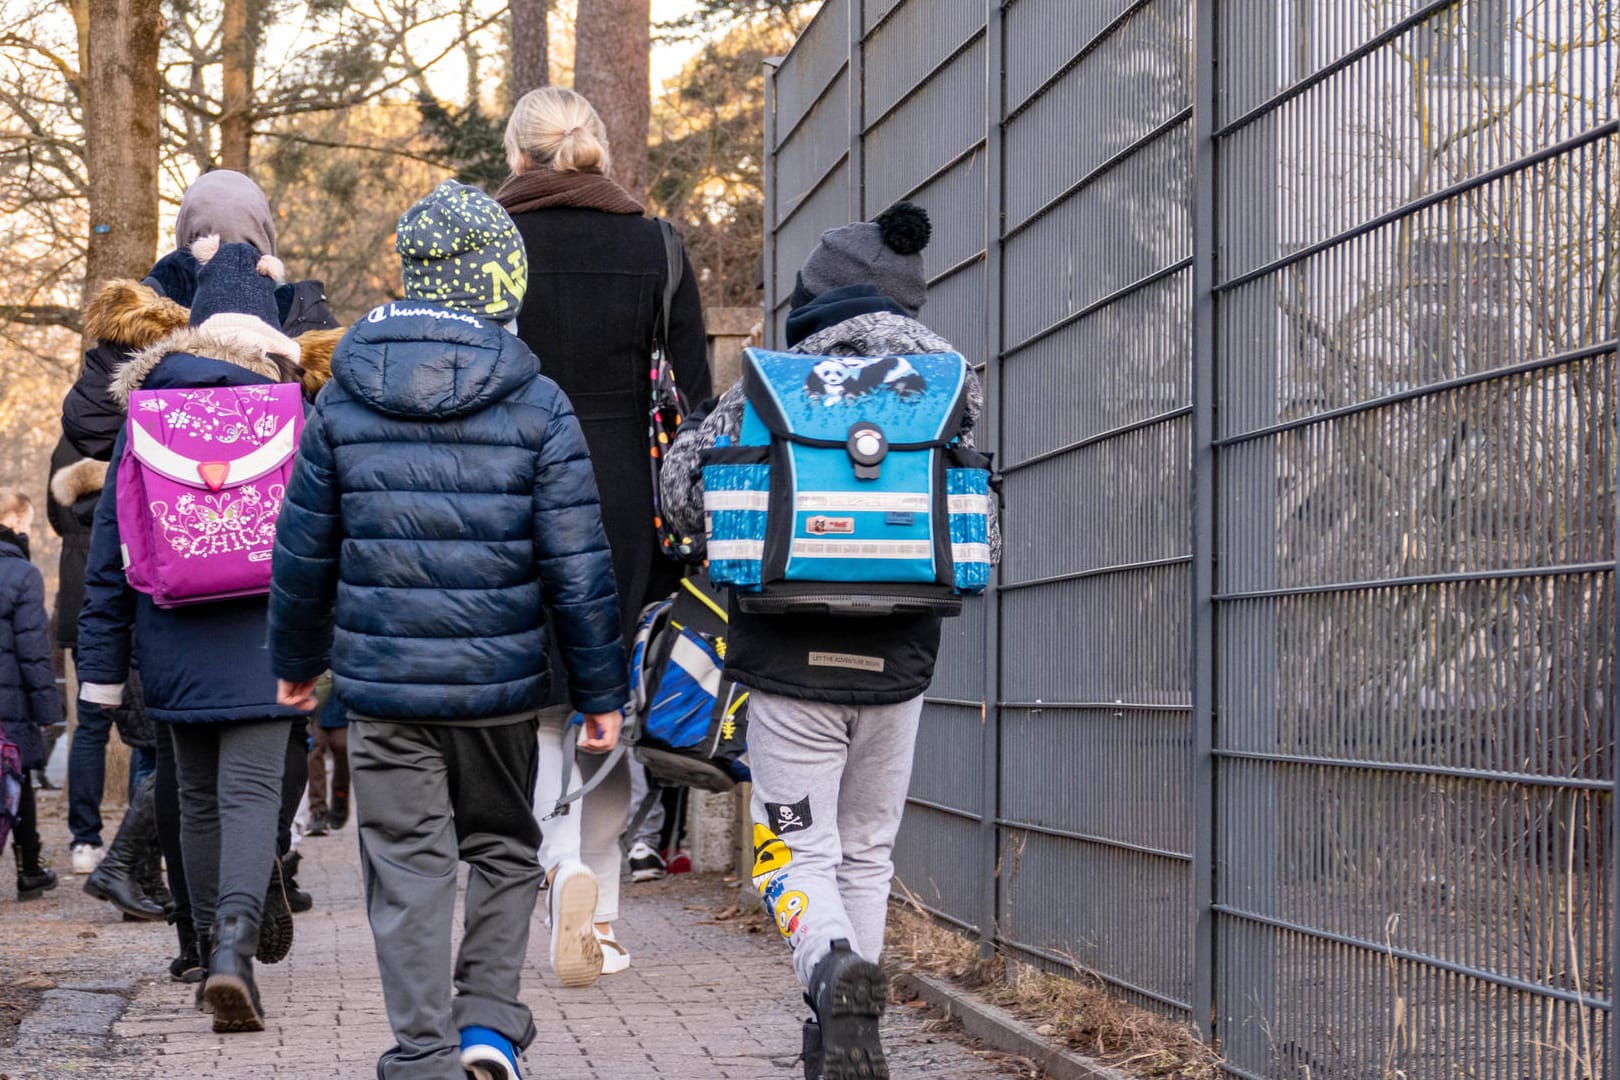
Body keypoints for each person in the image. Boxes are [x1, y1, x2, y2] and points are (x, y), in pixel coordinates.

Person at [269, 179, 628, 1080]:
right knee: (505, 849)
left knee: (406, 869)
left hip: (384, 688)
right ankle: (485, 1026)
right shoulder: (537, 402)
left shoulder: (343, 398)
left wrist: (297, 662)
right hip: (499, 691)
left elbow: (304, 550)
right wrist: (600, 693)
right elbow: (580, 565)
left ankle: (423, 1053)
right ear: (500, 279)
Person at [661, 203, 999, 1080]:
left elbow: (682, 499)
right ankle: (847, 1038)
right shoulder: (951, 387)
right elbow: (982, 536)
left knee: (795, 848)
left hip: (787, 649)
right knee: (867, 849)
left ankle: (828, 969)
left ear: (820, 294)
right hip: (903, 654)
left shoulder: (769, 381)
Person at [59, 169, 340, 977]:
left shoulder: (143, 398)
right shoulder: (299, 380)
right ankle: (234, 950)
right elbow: (327, 522)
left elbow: (112, 544)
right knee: (256, 791)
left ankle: (202, 943)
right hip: (268, 624)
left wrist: (102, 681)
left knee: (193, 793)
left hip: (169, 618)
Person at [494, 85, 710, 983]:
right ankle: (608, 916)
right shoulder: (657, 244)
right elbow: (695, 395)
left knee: (537, 704)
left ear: (518, 154)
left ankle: (557, 867)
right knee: (606, 704)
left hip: (512, 483)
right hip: (624, 492)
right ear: (597, 146)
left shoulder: (489, 242)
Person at [0, 491, 64, 901]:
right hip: (10, 703)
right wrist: (48, 713)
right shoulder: (22, 574)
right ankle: (29, 868)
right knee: (18, 777)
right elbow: (34, 650)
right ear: (13, 520)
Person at [303, 689, 348, 836]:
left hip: (341, 705)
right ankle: (318, 811)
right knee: (315, 749)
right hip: (316, 706)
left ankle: (340, 797)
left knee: (342, 748)